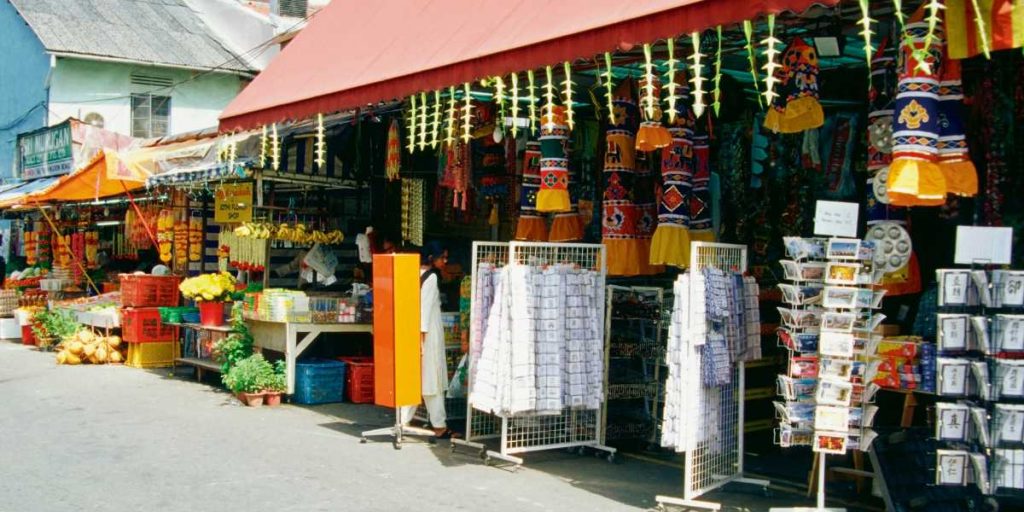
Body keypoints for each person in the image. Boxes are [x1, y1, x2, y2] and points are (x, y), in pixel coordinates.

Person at [400, 241, 454, 438]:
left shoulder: (413, 273)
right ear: (432, 258)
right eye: (443, 257)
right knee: (432, 380)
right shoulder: (431, 278)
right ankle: (439, 425)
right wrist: (421, 341)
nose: (445, 261)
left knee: (416, 379)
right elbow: (424, 311)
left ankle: (403, 420)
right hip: (427, 334)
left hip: (414, 332)